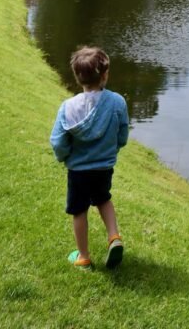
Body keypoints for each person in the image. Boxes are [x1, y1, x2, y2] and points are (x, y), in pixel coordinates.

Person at [50, 46, 129, 270]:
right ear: (104, 75)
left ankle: (83, 257)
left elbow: (57, 141)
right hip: (104, 167)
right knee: (104, 199)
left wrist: (65, 156)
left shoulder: (68, 107)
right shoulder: (117, 102)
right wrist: (115, 147)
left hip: (78, 170)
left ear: (77, 77)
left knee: (79, 210)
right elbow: (122, 134)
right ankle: (114, 237)